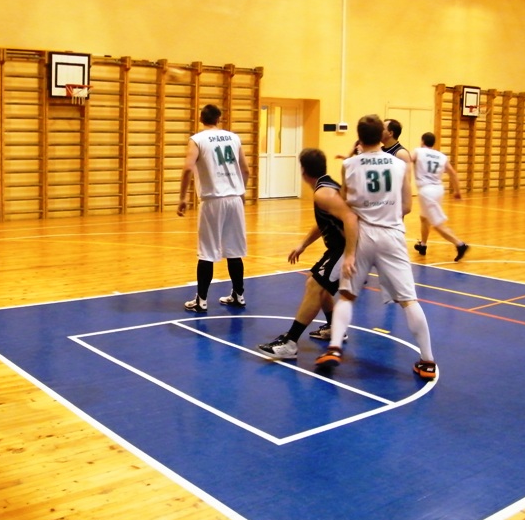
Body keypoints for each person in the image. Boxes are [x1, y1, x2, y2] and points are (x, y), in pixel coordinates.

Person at [316, 114, 438, 380]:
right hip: (392, 234)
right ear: (382, 136)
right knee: (409, 300)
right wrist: (387, 210)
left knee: (347, 295)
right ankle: (428, 361)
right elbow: (407, 206)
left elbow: (345, 204)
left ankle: (334, 347)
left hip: (362, 234)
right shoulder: (399, 164)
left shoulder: (349, 164)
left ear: (359, 137)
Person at [257, 148, 358, 360]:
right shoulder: (324, 188)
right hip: (338, 248)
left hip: (346, 248)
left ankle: (290, 342)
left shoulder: (324, 193)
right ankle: (333, 327)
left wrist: (350, 254)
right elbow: (327, 222)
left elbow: (350, 218)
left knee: (315, 286)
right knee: (315, 282)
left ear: (303, 171)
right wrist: (303, 244)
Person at [177, 104, 250, 313]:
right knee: (234, 251)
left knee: (207, 252)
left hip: (212, 200)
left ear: (201, 118)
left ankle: (201, 300)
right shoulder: (234, 138)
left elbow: (188, 168)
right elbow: (245, 170)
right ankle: (239, 295)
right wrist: (241, 192)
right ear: (219, 118)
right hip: (234, 199)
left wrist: (182, 197)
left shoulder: (197, 139)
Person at [411, 132, 469, 262]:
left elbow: (407, 159)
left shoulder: (418, 151)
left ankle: (460, 244)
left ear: (422, 141)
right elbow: (453, 173)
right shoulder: (441, 156)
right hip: (438, 190)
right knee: (424, 218)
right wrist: (457, 191)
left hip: (426, 191)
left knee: (437, 224)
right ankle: (423, 245)